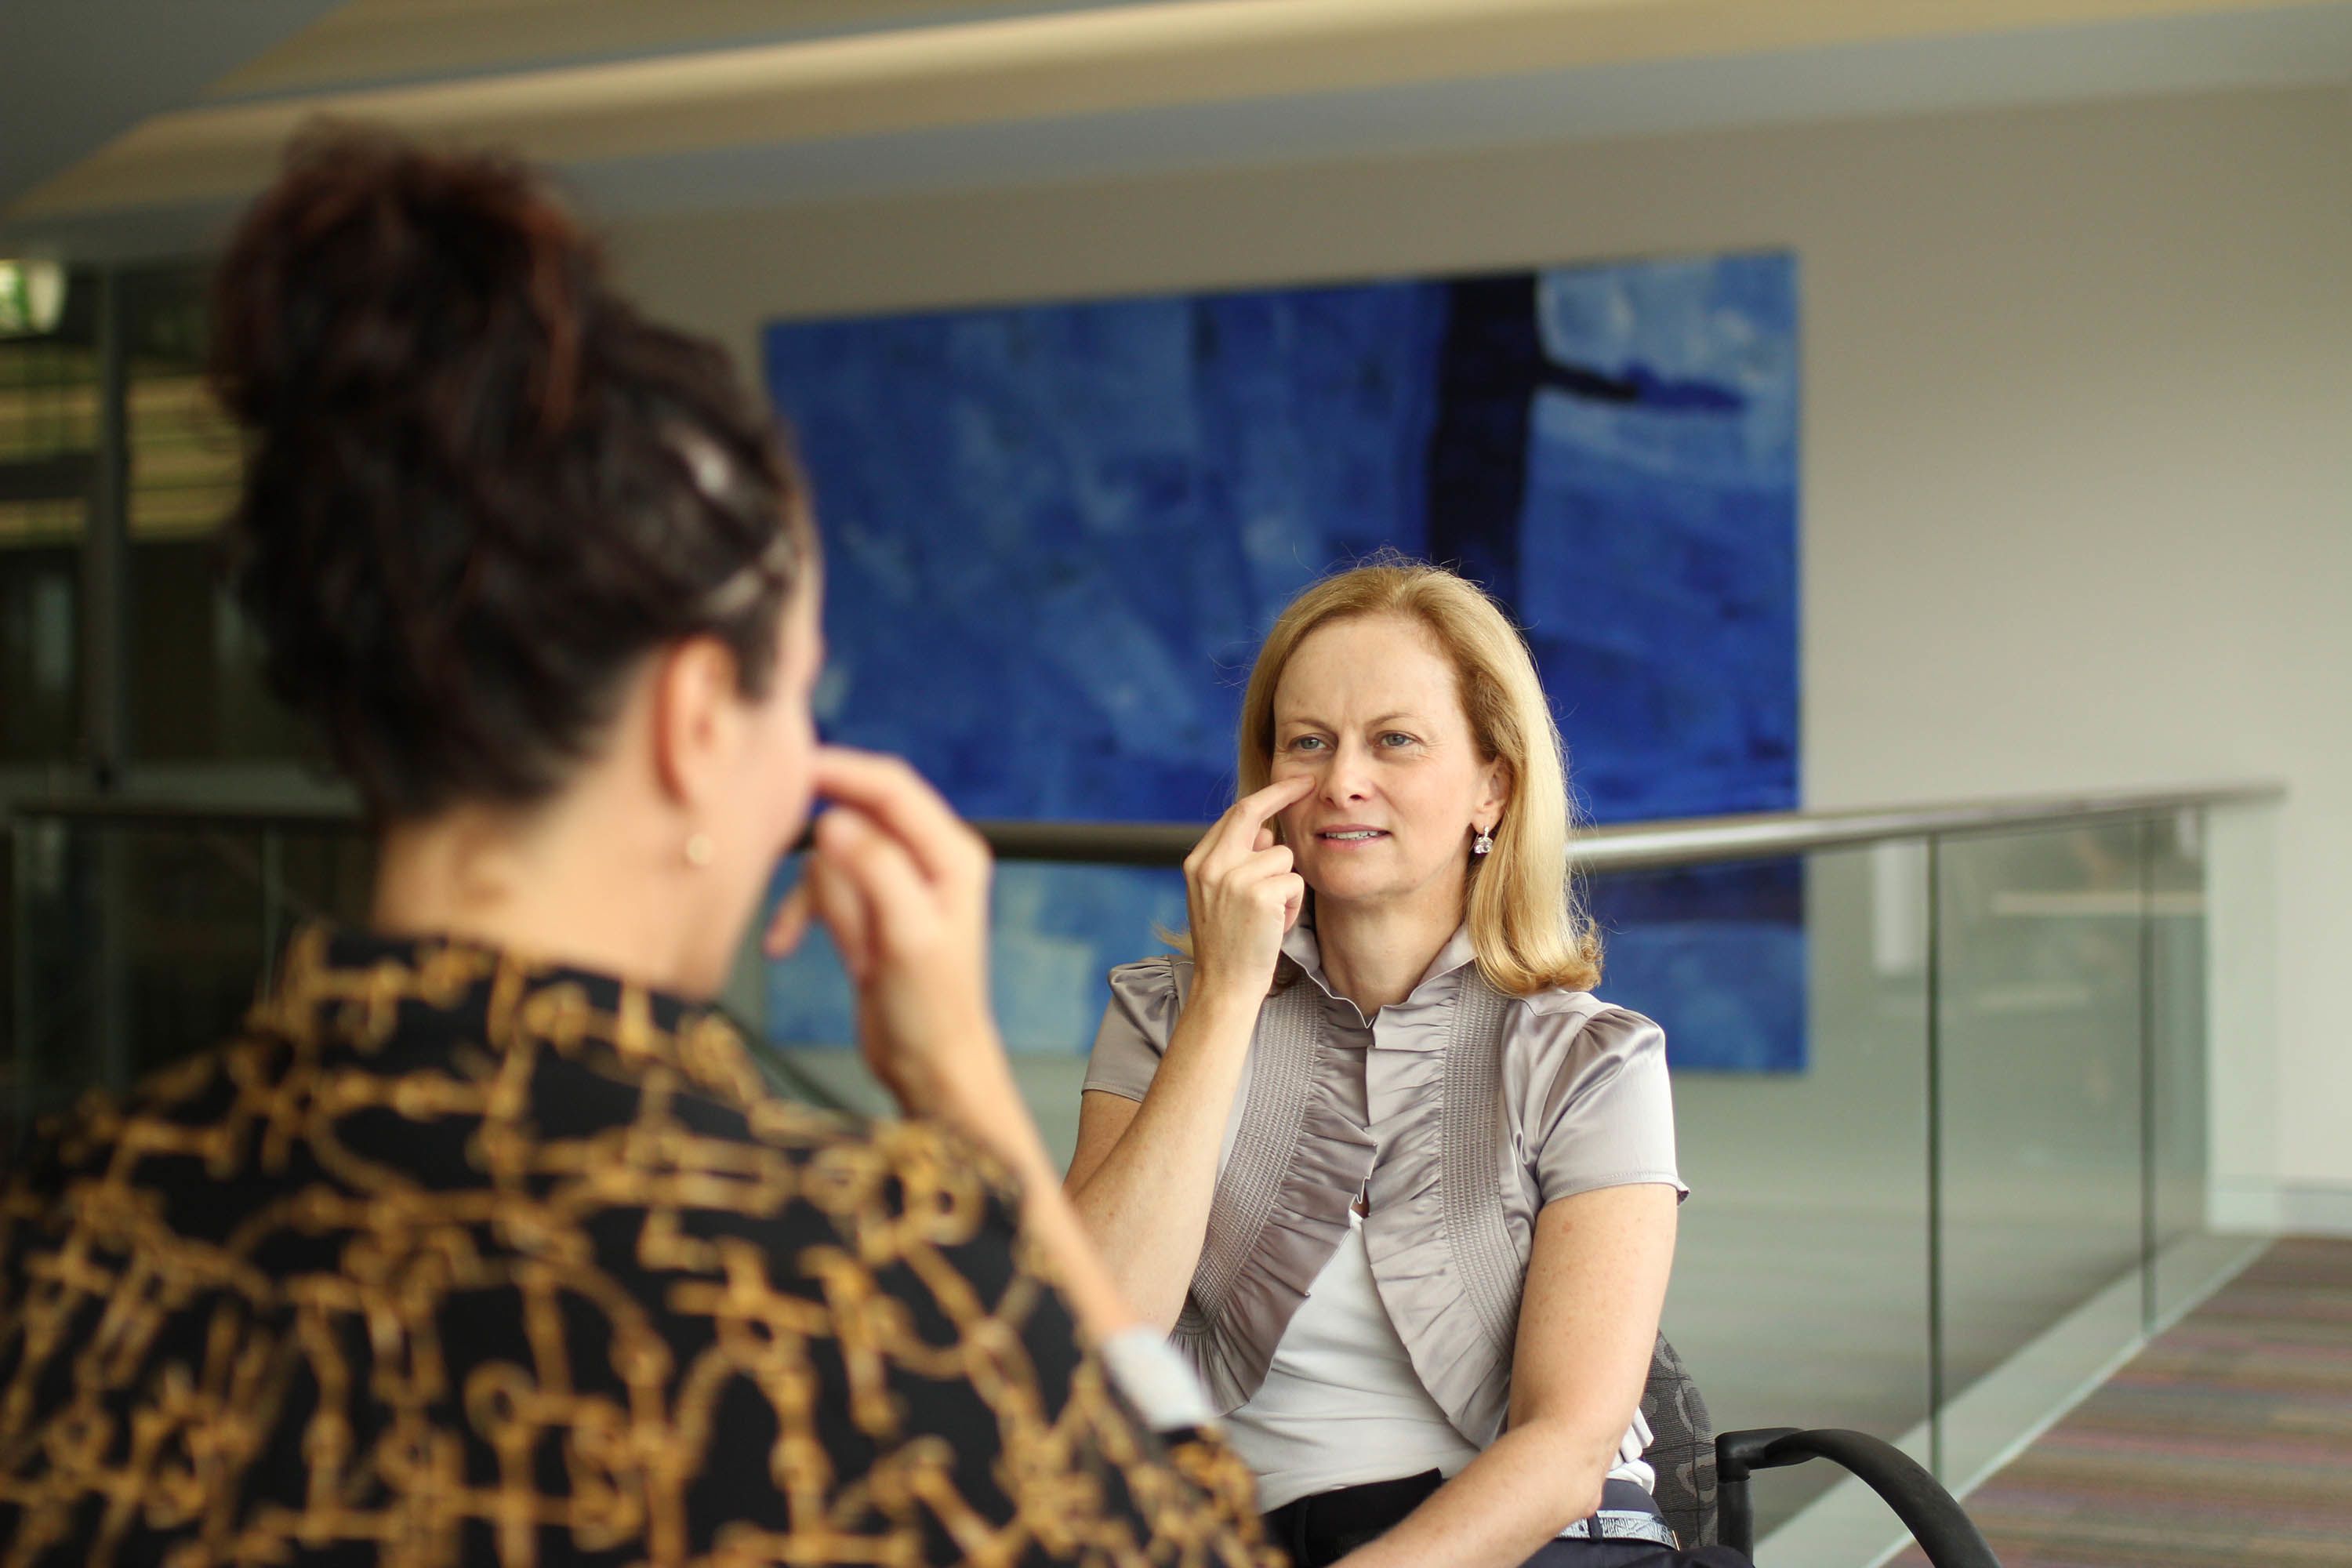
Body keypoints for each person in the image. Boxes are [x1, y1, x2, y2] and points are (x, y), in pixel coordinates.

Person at [0, 131, 1270, 1568]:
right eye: (797, 691)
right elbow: (1187, 1542)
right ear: (692, 721)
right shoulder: (869, 1303)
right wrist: (970, 1090)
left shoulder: (78, 1215)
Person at [1067, 561, 1744, 1568]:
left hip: (1527, 1542)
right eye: (1307, 742)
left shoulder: (1595, 1058)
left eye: (1395, 740)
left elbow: (1565, 1448)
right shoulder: (1162, 1013)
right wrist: (1224, 996)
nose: (1342, 779)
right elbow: (1090, 1336)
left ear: (1493, 786)